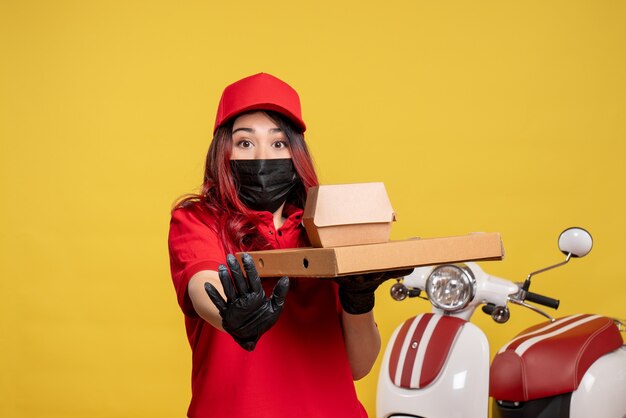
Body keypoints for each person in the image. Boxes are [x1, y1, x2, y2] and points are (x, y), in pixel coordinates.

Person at [168, 72, 411, 417]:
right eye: (245, 143)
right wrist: (231, 311)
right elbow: (200, 284)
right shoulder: (197, 220)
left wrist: (359, 302)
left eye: (278, 143)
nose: (262, 156)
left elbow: (358, 366)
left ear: (296, 155)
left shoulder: (326, 228)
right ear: (223, 152)